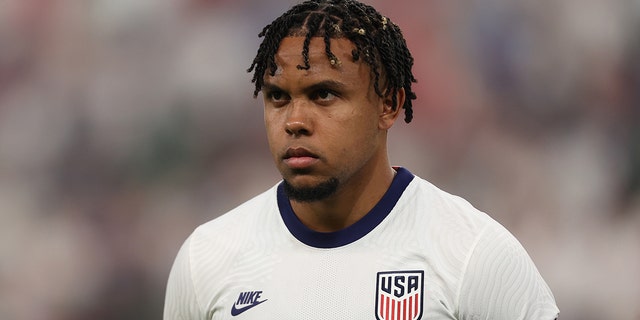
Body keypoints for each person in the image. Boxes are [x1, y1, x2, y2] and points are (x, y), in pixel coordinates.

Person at [163, 0, 560, 319]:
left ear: (389, 105)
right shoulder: (207, 259)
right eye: (278, 97)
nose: (295, 121)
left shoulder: (474, 256)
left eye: (324, 95)